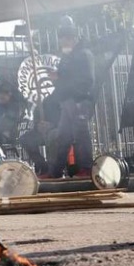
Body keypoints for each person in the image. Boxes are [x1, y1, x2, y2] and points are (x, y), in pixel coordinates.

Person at [47, 17, 96, 178]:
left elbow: (86, 80)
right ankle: (55, 172)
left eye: (64, 40)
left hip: (79, 100)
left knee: (81, 134)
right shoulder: (67, 57)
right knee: (63, 137)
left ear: (72, 38)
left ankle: (87, 169)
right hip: (67, 101)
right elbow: (65, 76)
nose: (62, 44)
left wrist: (60, 79)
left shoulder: (84, 54)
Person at [19, 93, 61, 176]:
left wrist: (52, 125)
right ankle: (42, 166)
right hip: (41, 133)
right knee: (26, 139)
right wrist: (38, 126)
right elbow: (35, 122)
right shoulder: (40, 107)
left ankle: (54, 168)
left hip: (58, 131)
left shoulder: (61, 105)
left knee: (53, 135)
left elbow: (64, 120)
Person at [0, 83, 24, 147]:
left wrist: (5, 132)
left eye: (3, 94)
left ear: (9, 94)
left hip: (13, 135)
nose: (0, 96)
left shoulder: (16, 107)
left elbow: (12, 121)